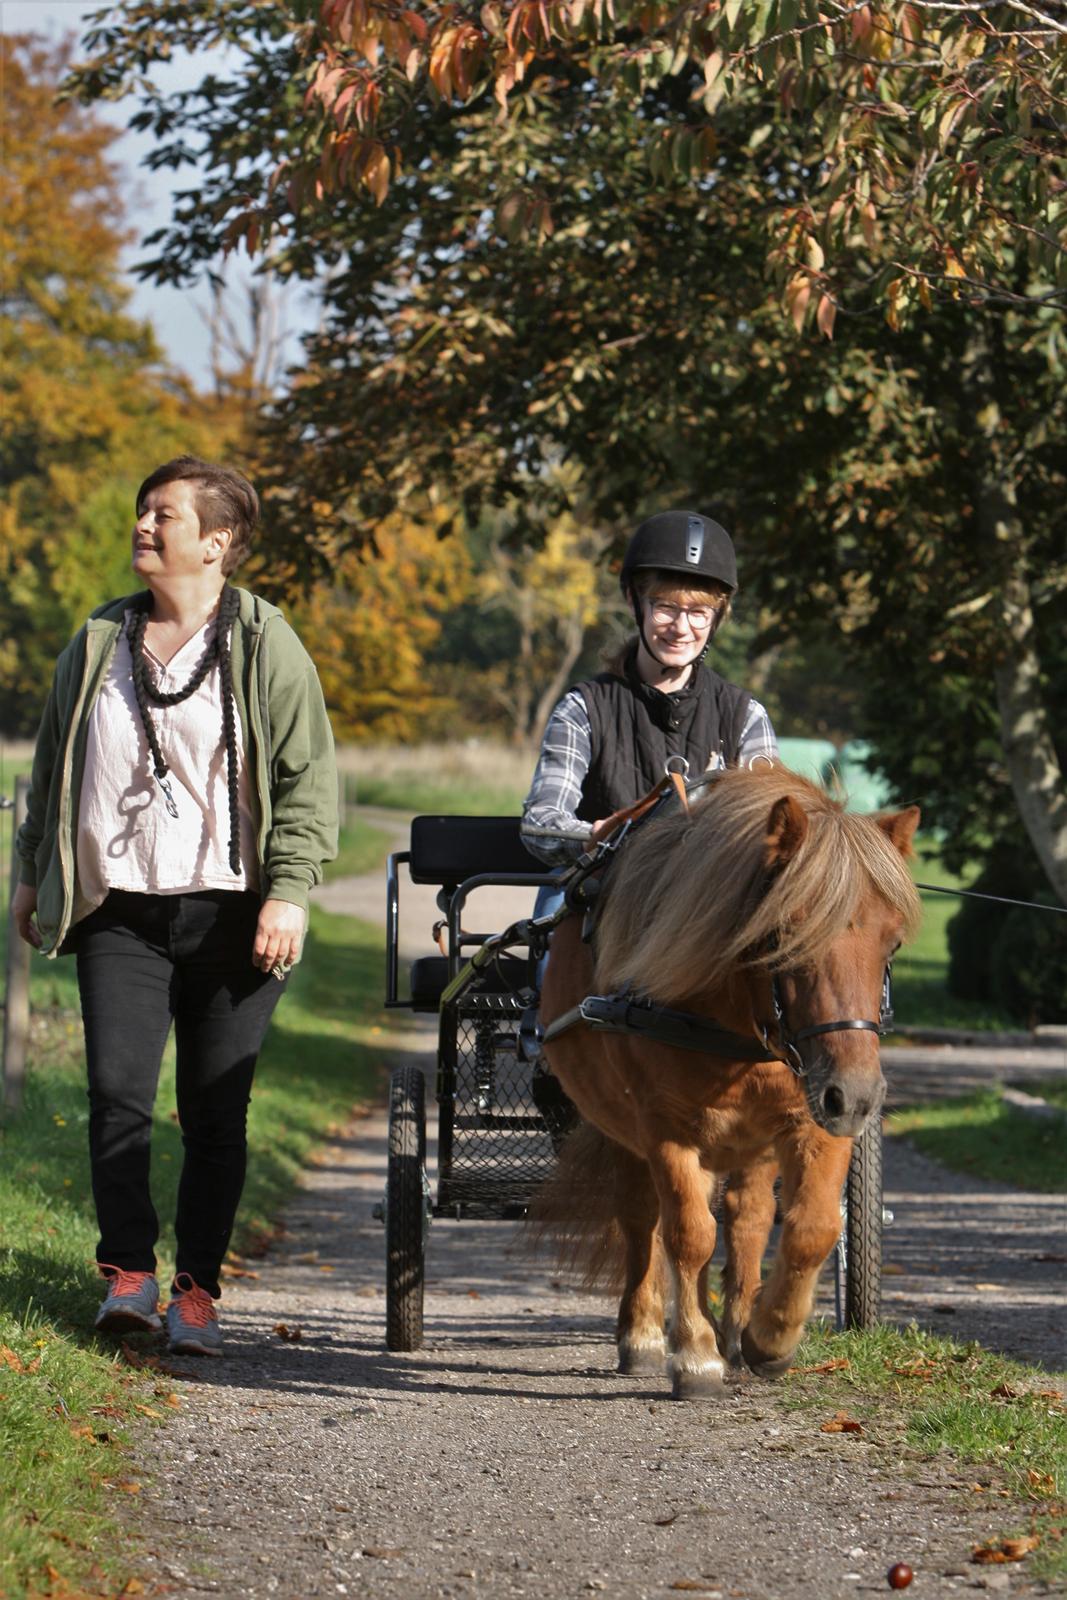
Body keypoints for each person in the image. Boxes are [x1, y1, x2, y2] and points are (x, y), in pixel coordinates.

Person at [13, 456, 337, 1357]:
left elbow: (306, 779)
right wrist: (31, 874)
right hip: (119, 909)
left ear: (217, 542)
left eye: (165, 515)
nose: (143, 526)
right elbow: (50, 766)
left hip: (234, 914)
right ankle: (127, 1274)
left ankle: (196, 1292)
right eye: (142, 511)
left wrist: (290, 892)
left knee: (214, 1114)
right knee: (117, 1097)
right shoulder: (97, 641)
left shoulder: (265, 642)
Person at [521, 507, 778, 878]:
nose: (681, 627)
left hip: (701, 893)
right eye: (665, 607)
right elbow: (541, 822)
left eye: (699, 612)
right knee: (554, 903)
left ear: (717, 616)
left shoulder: (745, 716)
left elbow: (768, 825)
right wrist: (598, 836)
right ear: (633, 601)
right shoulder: (583, 709)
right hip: (598, 886)